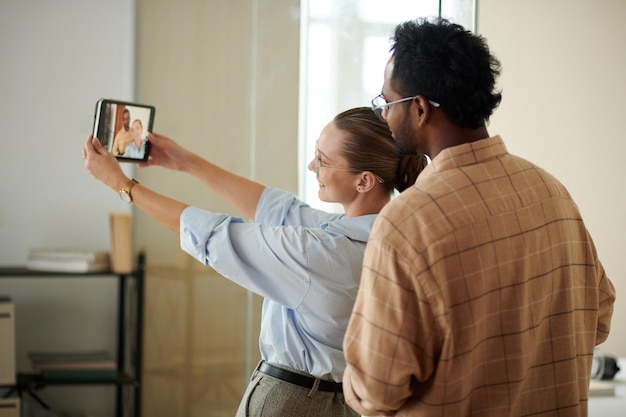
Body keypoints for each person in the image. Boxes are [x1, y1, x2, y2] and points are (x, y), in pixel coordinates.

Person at [342, 17, 616, 417]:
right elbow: (599, 314)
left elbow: (376, 389)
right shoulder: (551, 192)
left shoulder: (407, 222)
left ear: (419, 109)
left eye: (386, 103)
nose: (383, 115)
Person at [83, 107, 428, 417]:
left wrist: (123, 185)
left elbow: (214, 237)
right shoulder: (382, 240)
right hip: (345, 405)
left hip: (290, 403)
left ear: (364, 180)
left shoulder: (324, 252)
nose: (312, 166)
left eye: (323, 160)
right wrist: (183, 161)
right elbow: (279, 210)